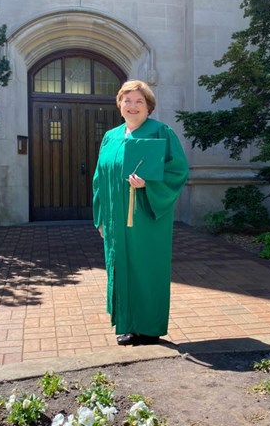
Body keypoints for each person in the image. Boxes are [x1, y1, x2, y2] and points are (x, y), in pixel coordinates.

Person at [92, 80, 189, 346]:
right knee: (119, 268)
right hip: (115, 219)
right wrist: (100, 216)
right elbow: (100, 177)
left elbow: (178, 170)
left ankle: (148, 328)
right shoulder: (111, 137)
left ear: (149, 106)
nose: (132, 106)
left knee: (146, 268)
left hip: (146, 217)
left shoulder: (161, 132)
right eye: (128, 100)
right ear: (119, 104)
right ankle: (128, 323)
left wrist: (150, 183)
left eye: (139, 101)